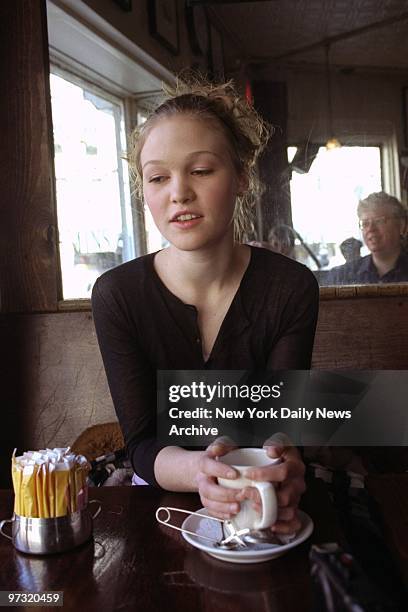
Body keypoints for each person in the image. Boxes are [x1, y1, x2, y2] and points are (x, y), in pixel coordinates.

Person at [91, 78, 319, 534]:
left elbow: (279, 425)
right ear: (145, 192)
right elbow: (141, 443)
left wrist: (282, 462)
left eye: (200, 170)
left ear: (241, 178)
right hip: (159, 504)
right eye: (158, 177)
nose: (179, 192)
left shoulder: (290, 287)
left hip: (256, 497)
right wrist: (201, 472)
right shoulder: (117, 294)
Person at [326, 192, 408, 285]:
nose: (370, 229)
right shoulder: (340, 277)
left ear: (401, 225)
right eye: (365, 223)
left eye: (379, 221)